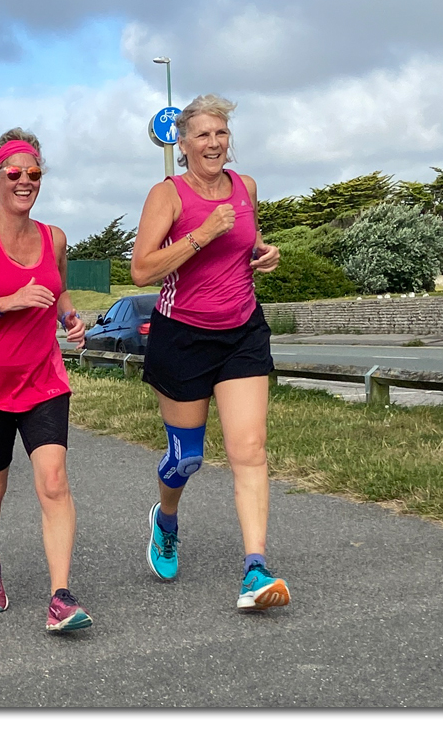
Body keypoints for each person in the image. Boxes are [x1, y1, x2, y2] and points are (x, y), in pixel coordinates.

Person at [130, 94, 289, 612]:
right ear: (183, 143)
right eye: (203, 134)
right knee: (187, 458)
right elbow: (142, 271)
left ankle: (255, 568)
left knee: (251, 449)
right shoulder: (167, 195)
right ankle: (167, 520)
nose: (214, 143)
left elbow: (246, 243)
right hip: (183, 336)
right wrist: (200, 235)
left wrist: (264, 255)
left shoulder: (246, 188)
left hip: (242, 329)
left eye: (221, 133)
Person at [0, 128, 91, 633]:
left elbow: (59, 286)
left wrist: (69, 318)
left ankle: (61, 597)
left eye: (34, 173)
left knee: (54, 481)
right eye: (14, 174)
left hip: (43, 379)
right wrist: (6, 303)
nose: (25, 181)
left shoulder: (54, 237)